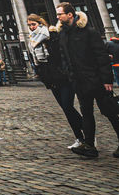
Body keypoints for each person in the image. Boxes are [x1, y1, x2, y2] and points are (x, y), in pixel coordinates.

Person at [53, 2, 119, 159]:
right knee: (87, 112)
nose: (57, 17)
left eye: (60, 14)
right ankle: (89, 146)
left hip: (95, 79)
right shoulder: (63, 34)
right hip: (79, 80)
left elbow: (101, 56)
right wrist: (69, 74)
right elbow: (64, 57)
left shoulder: (89, 32)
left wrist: (107, 80)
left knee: (109, 112)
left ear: (70, 15)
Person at [28, 13, 83, 146]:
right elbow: (37, 62)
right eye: (29, 25)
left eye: (33, 24)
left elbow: (61, 55)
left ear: (40, 24)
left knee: (67, 106)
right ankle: (80, 137)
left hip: (63, 77)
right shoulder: (32, 40)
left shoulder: (51, 36)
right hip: (51, 79)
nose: (31, 27)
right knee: (66, 109)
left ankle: (87, 131)